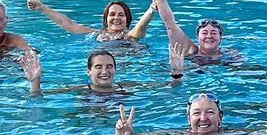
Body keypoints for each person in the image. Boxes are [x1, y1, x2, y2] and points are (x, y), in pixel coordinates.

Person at [113, 93, 267, 135]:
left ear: (220, 117)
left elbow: (259, 134)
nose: (203, 118)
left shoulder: (231, 134)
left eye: (210, 112)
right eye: (196, 113)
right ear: (188, 119)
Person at [22, 45, 184, 97]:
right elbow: (38, 97)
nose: (105, 71)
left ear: (115, 69)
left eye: (109, 66)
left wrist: (176, 72)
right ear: (89, 72)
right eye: (98, 67)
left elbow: (170, 87)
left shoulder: (126, 87)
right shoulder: (79, 90)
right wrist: (35, 81)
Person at [149, 0, 240, 65]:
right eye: (204, 33)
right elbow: (170, 25)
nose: (209, 36)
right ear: (197, 37)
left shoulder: (230, 54)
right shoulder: (189, 50)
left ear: (221, 38)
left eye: (213, 33)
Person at [26, 0, 157, 42]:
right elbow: (68, 24)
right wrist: (42, 8)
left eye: (121, 15)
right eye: (112, 14)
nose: (116, 18)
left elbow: (142, 25)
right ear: (105, 19)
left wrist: (152, 8)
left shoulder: (130, 36)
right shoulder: (96, 34)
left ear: (127, 20)